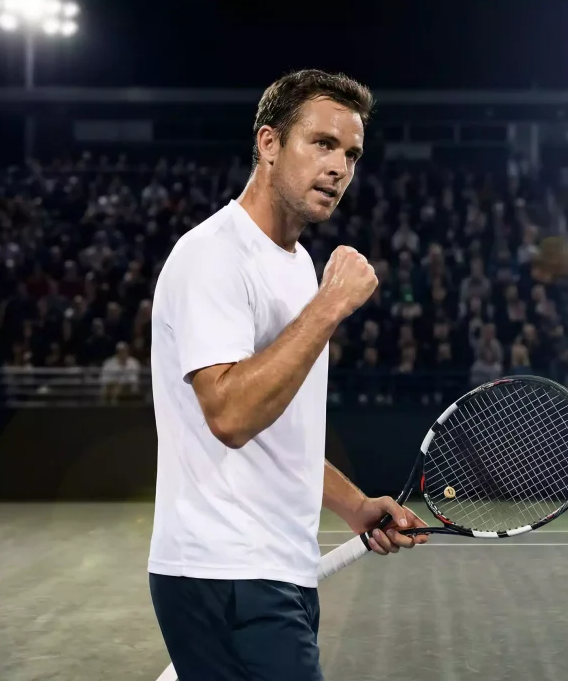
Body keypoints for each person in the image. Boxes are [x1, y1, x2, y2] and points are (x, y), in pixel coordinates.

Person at [147, 69, 429, 681]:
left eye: (351, 154)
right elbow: (230, 415)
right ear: (268, 143)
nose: (339, 168)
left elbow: (279, 439)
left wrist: (354, 506)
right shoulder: (213, 256)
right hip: (225, 572)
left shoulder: (299, 266)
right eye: (322, 144)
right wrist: (329, 307)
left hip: (274, 569)